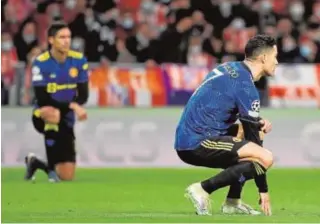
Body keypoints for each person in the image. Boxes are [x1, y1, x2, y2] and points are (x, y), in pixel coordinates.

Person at [174, 34, 278, 216]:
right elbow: (255, 148)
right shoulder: (246, 87)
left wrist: (257, 121)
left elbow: (220, 104)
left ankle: (232, 202)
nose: (277, 62)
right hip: (197, 141)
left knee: (253, 136)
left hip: (189, 135)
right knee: (265, 157)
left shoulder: (230, 68)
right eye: (275, 56)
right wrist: (263, 189)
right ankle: (202, 189)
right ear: (263, 58)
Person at [24, 21, 89, 182]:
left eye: (68, 37)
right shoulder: (41, 62)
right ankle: (51, 172)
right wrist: (73, 105)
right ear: (51, 40)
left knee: (67, 176)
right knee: (53, 113)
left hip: (66, 116)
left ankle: (36, 163)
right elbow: (42, 98)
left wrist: (72, 106)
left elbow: (83, 95)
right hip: (43, 113)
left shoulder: (79, 61)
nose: (67, 41)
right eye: (62, 37)